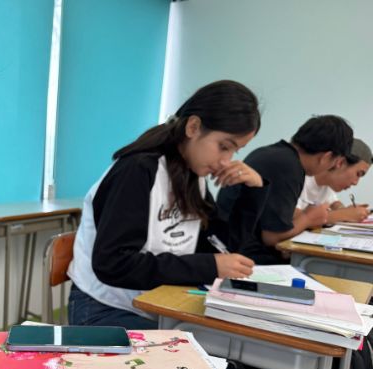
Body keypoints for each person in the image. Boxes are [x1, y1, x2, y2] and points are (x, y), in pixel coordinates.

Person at [66, 80, 262, 329]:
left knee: (229, 344)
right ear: (193, 127)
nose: (226, 161)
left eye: (235, 151)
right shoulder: (137, 170)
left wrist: (252, 192)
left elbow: (221, 248)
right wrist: (209, 266)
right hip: (103, 308)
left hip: (157, 305)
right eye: (224, 147)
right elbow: (114, 264)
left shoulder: (193, 175)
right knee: (207, 350)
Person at [217, 115, 354, 264]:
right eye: (336, 162)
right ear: (326, 157)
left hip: (228, 239)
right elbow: (271, 237)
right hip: (235, 252)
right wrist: (308, 219)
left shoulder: (274, 153)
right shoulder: (289, 167)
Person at [295, 138, 371, 225]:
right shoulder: (297, 177)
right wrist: (345, 214)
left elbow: (334, 202)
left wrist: (345, 210)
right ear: (340, 162)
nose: (355, 183)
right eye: (358, 174)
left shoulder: (327, 184)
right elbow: (294, 217)